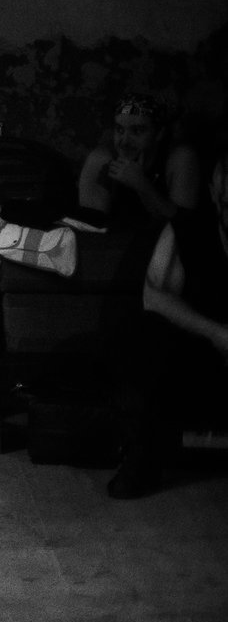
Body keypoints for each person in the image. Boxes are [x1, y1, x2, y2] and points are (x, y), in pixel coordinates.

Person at [106, 152, 226, 499]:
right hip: (202, 363)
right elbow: (154, 296)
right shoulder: (190, 229)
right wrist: (218, 334)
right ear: (215, 190)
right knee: (142, 333)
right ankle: (141, 458)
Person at [78, 92, 201, 233]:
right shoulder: (103, 158)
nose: (124, 141)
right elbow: (91, 228)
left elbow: (186, 228)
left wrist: (142, 185)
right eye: (120, 130)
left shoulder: (178, 157)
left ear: (159, 133)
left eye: (136, 131)